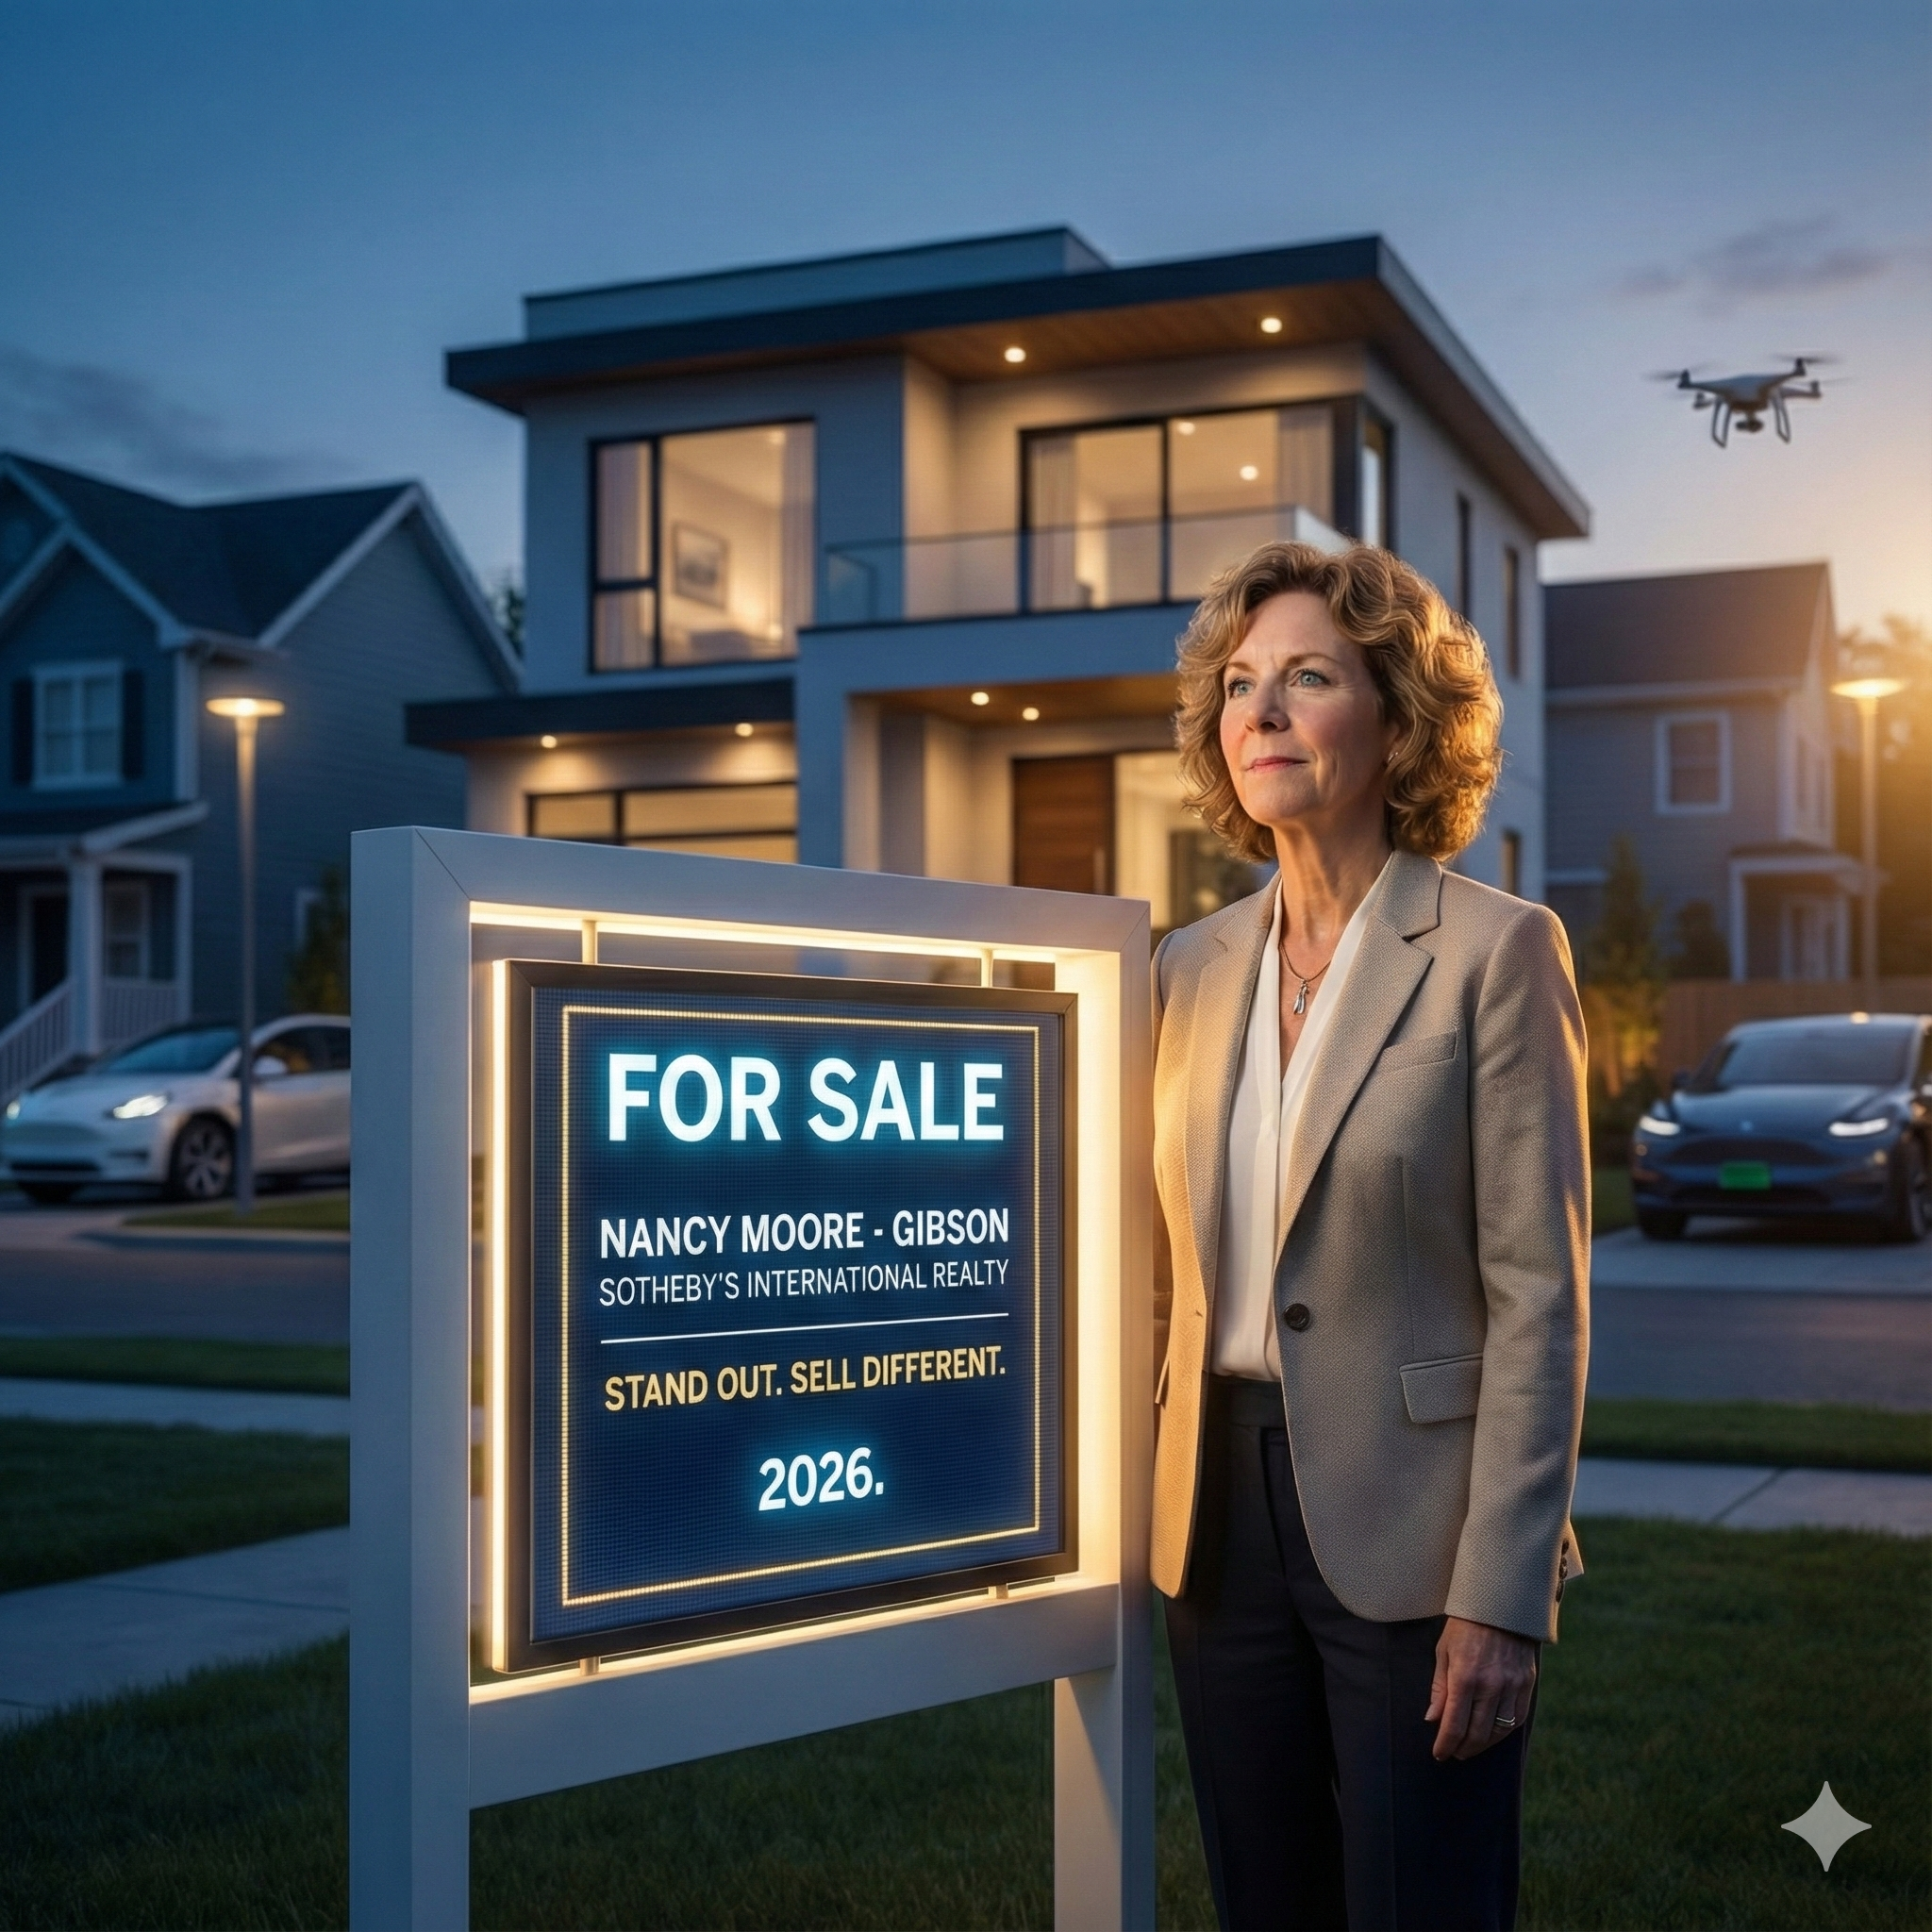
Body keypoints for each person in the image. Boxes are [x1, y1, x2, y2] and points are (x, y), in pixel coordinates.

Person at [1151, 541, 1589, 1932]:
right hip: (1214, 1520)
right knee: (1262, 1901)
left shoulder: (1496, 952)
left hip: (1418, 1518)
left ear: (1399, 720)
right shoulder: (1187, 967)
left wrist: (1503, 1595)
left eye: (1308, 679)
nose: (1261, 712)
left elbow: (1541, 1297)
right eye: (1240, 684)